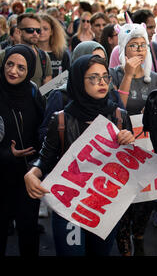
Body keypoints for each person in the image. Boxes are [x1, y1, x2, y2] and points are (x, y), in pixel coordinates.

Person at [23, 54, 135, 256]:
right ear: (77, 80)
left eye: (105, 77)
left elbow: (129, 162)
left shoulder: (120, 116)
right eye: (93, 77)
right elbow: (46, 157)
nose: (101, 82)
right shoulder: (61, 120)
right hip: (69, 208)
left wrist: (128, 140)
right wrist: (33, 172)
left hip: (104, 205)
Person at [110, 20, 157, 256]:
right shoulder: (113, 74)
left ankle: (139, 236)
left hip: (147, 149)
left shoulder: (156, 79)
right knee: (123, 203)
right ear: (123, 49)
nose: (140, 50)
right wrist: (129, 75)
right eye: (133, 45)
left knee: (146, 200)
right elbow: (116, 108)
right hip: (121, 148)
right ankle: (125, 245)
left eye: (143, 45)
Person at [0, 45, 46, 256]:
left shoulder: (34, 93)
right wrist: (8, 154)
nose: (13, 71)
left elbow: (42, 129)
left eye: (21, 67)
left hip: (27, 176)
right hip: (1, 176)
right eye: (10, 64)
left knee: (28, 231)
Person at [7, 13, 53, 87]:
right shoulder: (5, 55)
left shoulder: (43, 56)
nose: (35, 33)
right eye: (30, 30)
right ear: (19, 32)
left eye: (38, 30)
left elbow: (47, 87)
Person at [38, 13, 71, 78]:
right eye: (38, 29)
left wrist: (46, 87)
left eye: (45, 29)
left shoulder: (62, 54)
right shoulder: (31, 52)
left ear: (52, 32)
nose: (41, 32)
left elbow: (65, 77)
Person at [131, 9, 157, 73]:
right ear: (138, 27)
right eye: (150, 27)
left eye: (154, 27)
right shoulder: (119, 51)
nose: (153, 32)